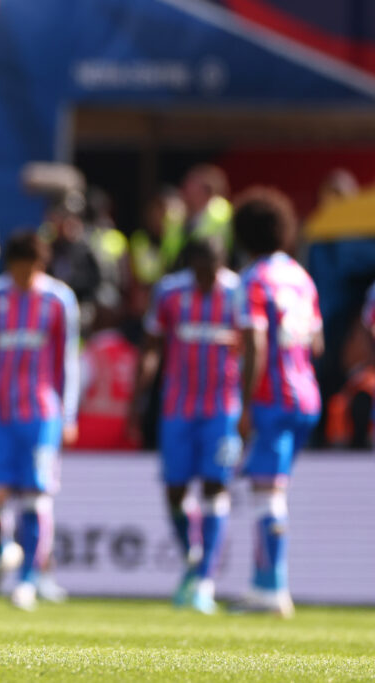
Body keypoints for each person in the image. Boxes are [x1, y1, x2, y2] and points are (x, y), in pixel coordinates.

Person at [0, 230, 79, 611]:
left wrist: (69, 412)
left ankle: (28, 580)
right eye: (18, 269)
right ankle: (8, 552)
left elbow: (68, 362)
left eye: (31, 269)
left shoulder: (59, 299)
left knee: (36, 495)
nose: (24, 276)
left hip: (41, 413)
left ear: (41, 266)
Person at [129, 237, 246, 614]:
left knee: (215, 486)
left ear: (222, 264)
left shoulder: (238, 293)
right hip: (177, 407)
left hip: (222, 409)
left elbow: (254, 344)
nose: (206, 278)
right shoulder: (169, 293)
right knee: (175, 491)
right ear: (190, 265)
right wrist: (138, 394)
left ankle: (204, 581)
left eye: (211, 271)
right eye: (200, 270)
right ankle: (194, 556)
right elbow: (152, 345)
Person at [233, 187, 322, 617]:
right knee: (271, 489)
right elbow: (317, 342)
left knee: (267, 492)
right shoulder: (301, 278)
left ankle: (272, 589)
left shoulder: (253, 279)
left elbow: (255, 343)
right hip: (306, 393)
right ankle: (262, 583)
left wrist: (245, 404)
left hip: (272, 396)